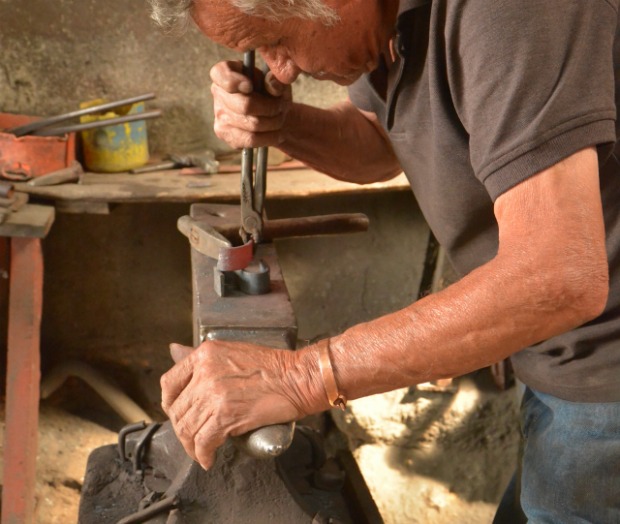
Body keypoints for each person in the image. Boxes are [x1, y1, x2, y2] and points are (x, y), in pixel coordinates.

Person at [153, 1, 620, 521]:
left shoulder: (511, 13)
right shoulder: (387, 22)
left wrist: (297, 377)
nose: (279, 70)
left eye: (277, 40)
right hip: (556, 353)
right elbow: (380, 143)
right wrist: (282, 124)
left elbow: (556, 276)